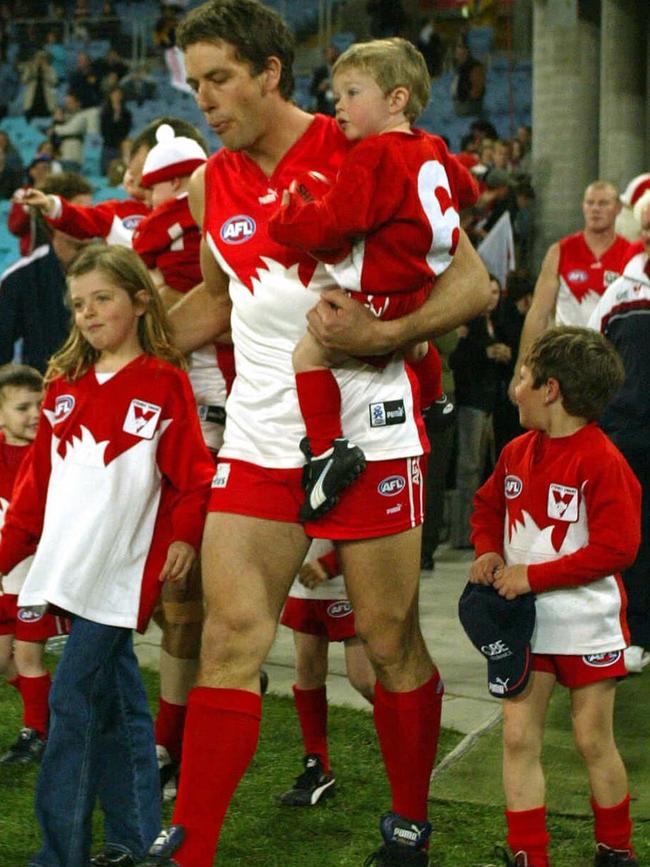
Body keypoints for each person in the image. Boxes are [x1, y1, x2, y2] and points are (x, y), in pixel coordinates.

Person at [142, 2, 490, 865]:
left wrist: (383, 338)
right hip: (262, 439)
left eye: (220, 79)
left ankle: (408, 823)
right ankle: (195, 849)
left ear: (270, 72)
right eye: (196, 84)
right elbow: (225, 298)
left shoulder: (364, 143)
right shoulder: (208, 181)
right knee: (228, 637)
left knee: (387, 640)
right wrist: (118, 341)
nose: (207, 100)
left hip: (368, 436)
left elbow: (476, 284)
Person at [0, 244, 215, 867]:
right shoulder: (61, 385)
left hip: (121, 576)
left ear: (140, 301)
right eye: (78, 304)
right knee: (119, 708)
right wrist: (9, 549)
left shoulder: (164, 382)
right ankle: (135, 839)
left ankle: (59, 854)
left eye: (103, 298)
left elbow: (193, 478)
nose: (89, 313)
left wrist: (183, 536)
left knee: (70, 706)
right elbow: (35, 487)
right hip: (67, 569)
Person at [469, 326, 641, 867]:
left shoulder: (602, 461)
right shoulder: (518, 451)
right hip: (527, 626)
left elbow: (619, 547)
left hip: (588, 625)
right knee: (519, 739)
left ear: (551, 390)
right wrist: (487, 550)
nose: (513, 387)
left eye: (522, 377)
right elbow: (487, 506)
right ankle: (528, 855)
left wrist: (534, 578)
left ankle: (615, 849)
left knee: (593, 741)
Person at [268, 37, 459, 521]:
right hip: (423, 283)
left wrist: (287, 223)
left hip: (383, 291)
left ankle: (329, 449)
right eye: (337, 95)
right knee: (416, 346)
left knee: (308, 353)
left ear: (396, 100)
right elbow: (468, 187)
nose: (339, 104)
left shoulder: (373, 156)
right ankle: (435, 402)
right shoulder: (432, 145)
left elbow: (337, 224)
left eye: (353, 93)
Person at [588, 200, 650, 675]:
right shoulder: (623, 290)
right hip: (627, 435)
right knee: (630, 539)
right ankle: (635, 632)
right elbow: (593, 352)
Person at [0, 364, 67, 766]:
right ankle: (57, 714)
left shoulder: (51, 453)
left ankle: (37, 733)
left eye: (40, 405)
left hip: (36, 573)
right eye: (23, 407)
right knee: (5, 659)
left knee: (27, 656)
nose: (34, 415)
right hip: (6, 575)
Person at [509, 180, 631, 399]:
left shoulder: (630, 255)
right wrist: (522, 368)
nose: (595, 209)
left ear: (618, 208)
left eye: (603, 203)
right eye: (590, 203)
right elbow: (538, 314)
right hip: (567, 364)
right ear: (583, 206)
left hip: (614, 364)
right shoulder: (561, 251)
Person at [279, 540, 375, 806]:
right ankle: (317, 764)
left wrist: (331, 563)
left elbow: (371, 526)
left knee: (365, 680)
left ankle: (413, 744)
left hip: (351, 582)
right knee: (307, 670)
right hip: (305, 583)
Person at [0, 172, 94, 373]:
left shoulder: (113, 271)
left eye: (91, 212)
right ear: (52, 218)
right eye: (78, 212)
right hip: (45, 393)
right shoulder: (21, 277)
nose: (89, 220)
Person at [451, 35, 485, 118]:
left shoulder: (475, 67)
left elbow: (477, 91)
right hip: (460, 106)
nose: (457, 51)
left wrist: (465, 100)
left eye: (460, 48)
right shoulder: (460, 67)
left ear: (467, 51)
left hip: (469, 108)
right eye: (457, 47)